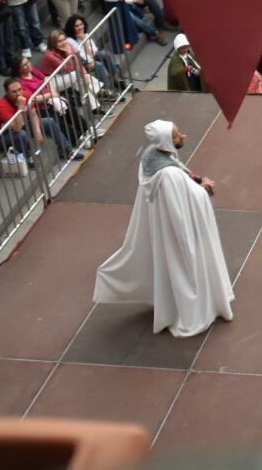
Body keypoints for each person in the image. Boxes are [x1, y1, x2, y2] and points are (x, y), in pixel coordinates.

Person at [93, 120, 234, 337]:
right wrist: (204, 188)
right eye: (176, 135)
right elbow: (187, 201)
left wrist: (196, 181)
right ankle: (192, 313)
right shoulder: (169, 175)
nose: (182, 136)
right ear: (166, 140)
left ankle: (173, 307)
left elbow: (182, 176)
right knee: (186, 271)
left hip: (164, 229)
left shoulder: (152, 157)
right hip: (178, 233)